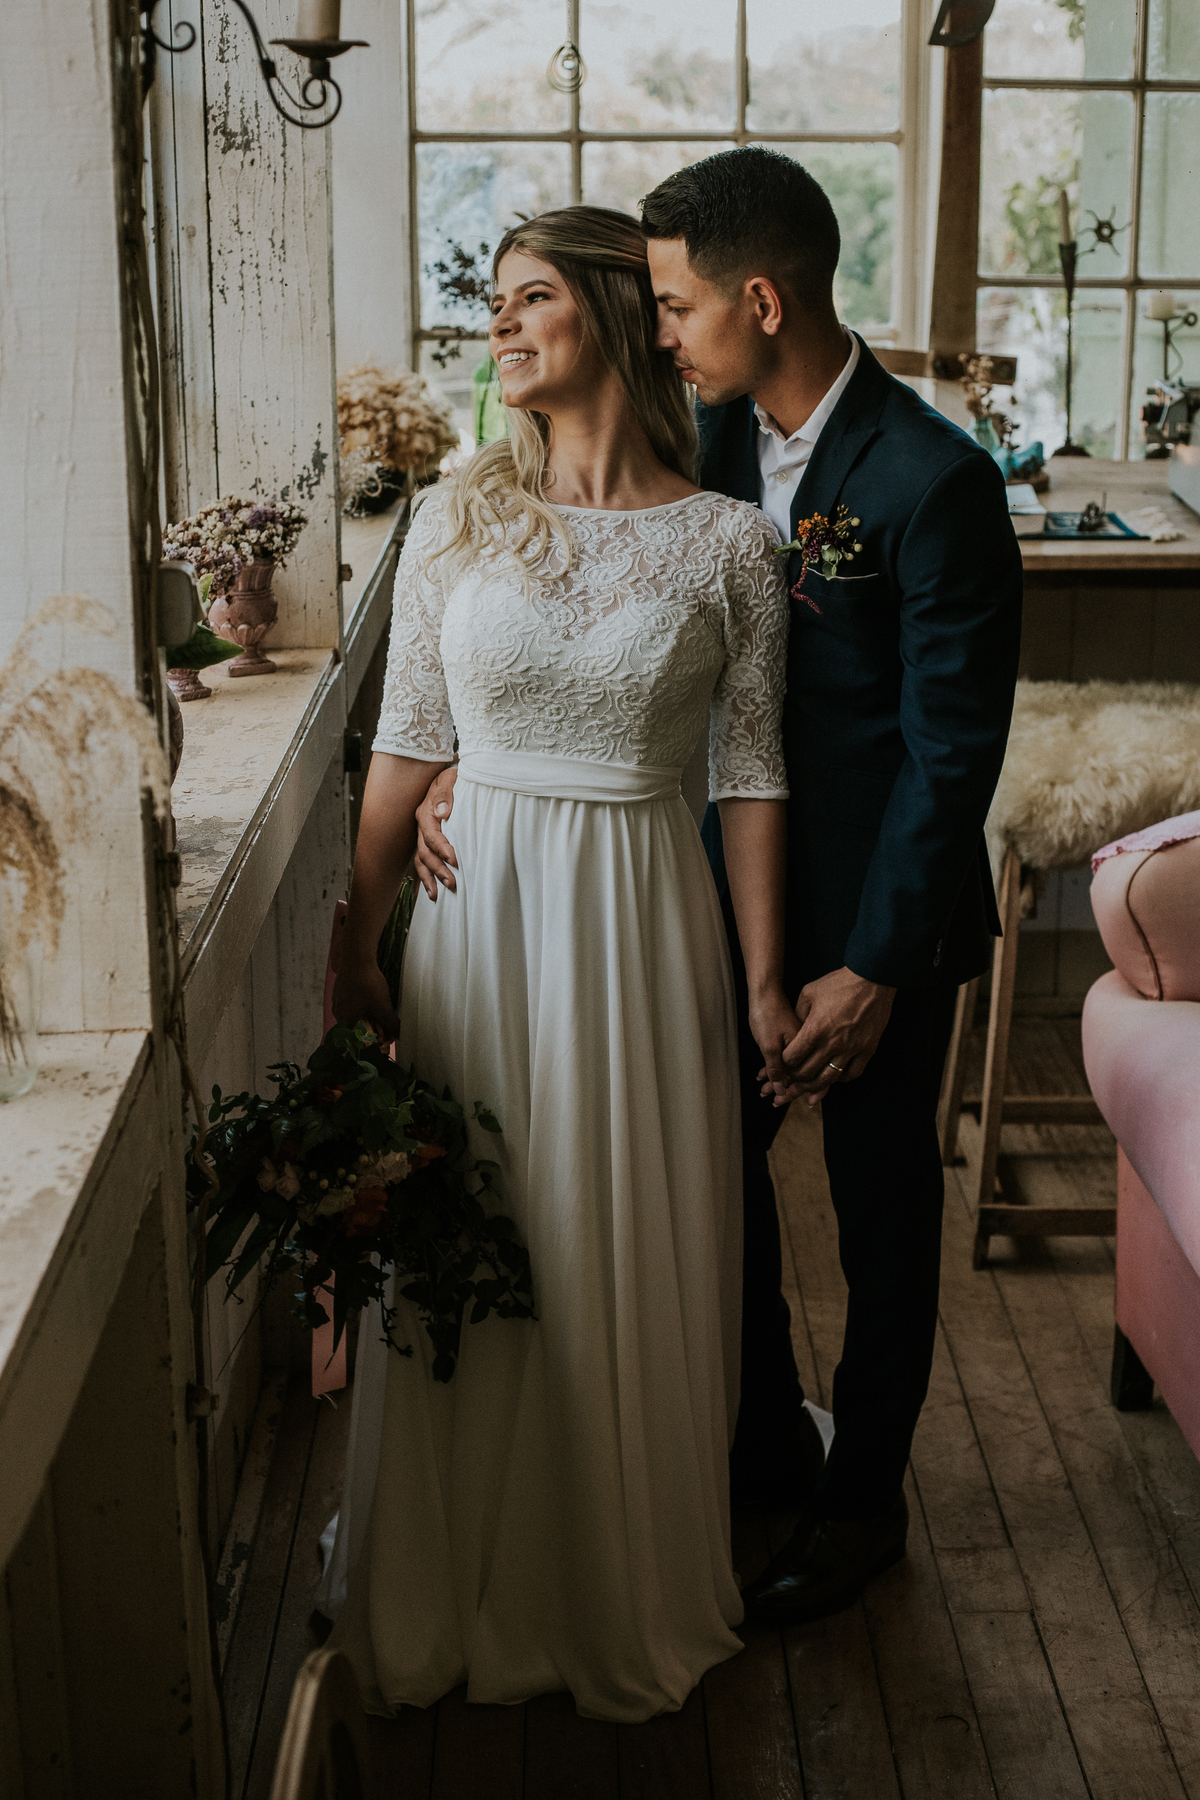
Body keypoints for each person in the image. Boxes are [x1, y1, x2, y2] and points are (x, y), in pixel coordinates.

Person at [418, 148, 1023, 1625]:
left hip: (884, 926)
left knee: (881, 1228)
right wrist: (459, 762)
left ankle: (863, 1503)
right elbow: (593, 617)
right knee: (712, 1193)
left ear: (762, 299)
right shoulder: (711, 453)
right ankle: (755, 1447)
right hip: (708, 914)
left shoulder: (937, 482)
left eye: (679, 303)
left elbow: (953, 759)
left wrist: (875, 970)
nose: (662, 329)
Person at [323, 205, 796, 1722]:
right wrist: (357, 948)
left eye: (535, 299)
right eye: (493, 303)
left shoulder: (732, 541)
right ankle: (450, 1579)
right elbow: (408, 746)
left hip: (647, 926)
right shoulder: (456, 515)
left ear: (610, 312)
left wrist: (764, 979)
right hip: (478, 927)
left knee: (616, 1240)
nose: (502, 327)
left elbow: (752, 777)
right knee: (489, 1223)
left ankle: (613, 1584)